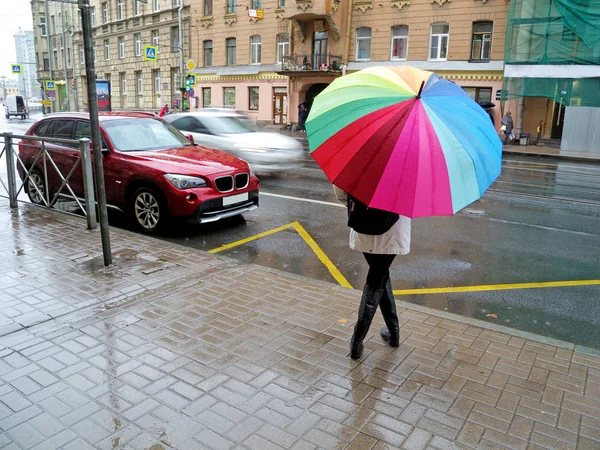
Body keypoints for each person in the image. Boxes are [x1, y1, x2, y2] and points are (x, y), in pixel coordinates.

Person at [334, 186, 411, 360]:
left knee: (380, 277)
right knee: (378, 277)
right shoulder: (408, 163)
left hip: (363, 222)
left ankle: (393, 333)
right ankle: (357, 341)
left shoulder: (360, 160)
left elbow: (341, 194)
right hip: (394, 230)